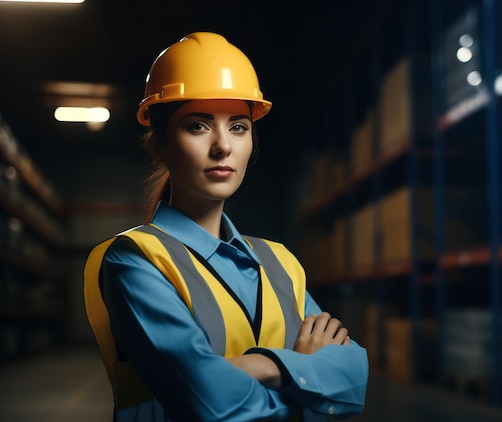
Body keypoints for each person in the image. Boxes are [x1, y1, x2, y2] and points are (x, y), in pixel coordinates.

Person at [83, 32, 369, 422]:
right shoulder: (134, 260)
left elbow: (354, 376)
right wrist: (304, 380)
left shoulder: (280, 262)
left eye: (238, 127)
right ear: (160, 146)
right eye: (198, 126)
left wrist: (263, 366)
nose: (223, 146)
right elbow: (210, 404)